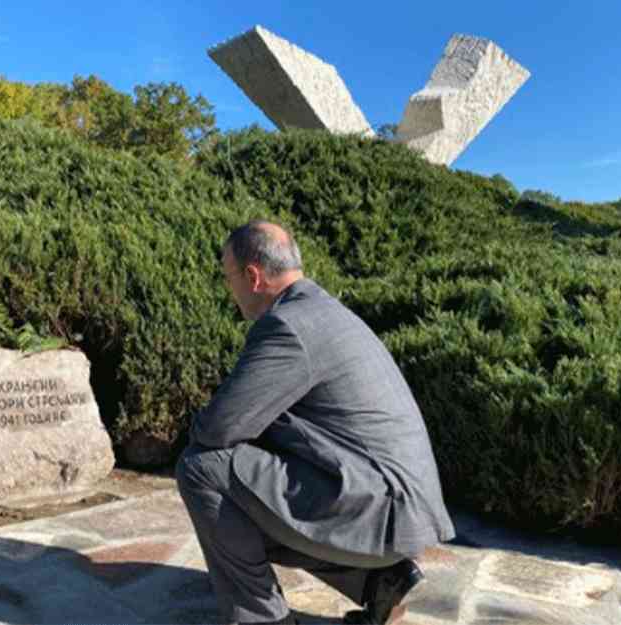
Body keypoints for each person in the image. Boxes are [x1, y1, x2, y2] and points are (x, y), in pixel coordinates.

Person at [176, 220, 455, 625]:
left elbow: (220, 427)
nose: (228, 288)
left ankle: (263, 619)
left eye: (227, 276)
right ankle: (379, 582)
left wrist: (201, 422)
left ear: (252, 276)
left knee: (201, 468)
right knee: (252, 485)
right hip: (401, 505)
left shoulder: (288, 326)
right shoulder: (323, 310)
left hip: (381, 508)